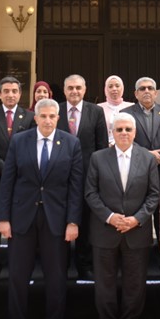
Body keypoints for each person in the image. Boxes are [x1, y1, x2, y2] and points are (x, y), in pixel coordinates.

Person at [0, 99, 84, 319]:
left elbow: (75, 187)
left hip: (56, 220)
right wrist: (3, 218)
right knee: (17, 277)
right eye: (43, 116)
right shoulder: (19, 141)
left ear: (58, 118)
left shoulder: (71, 143)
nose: (47, 120)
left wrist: (73, 221)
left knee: (56, 277)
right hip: (21, 218)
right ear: (35, 118)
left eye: (52, 116)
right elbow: (7, 181)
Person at [84, 113, 160, 319]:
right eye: (119, 129)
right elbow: (90, 193)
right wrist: (110, 217)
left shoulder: (147, 159)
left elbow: (154, 195)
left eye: (128, 129)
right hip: (105, 231)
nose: (124, 133)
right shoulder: (98, 158)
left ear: (135, 132)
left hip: (136, 232)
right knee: (104, 284)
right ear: (112, 132)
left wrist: (137, 219)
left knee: (134, 283)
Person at [0, 76, 35, 281]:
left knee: (19, 223)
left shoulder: (29, 117)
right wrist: (3, 167)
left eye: (14, 91)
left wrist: (15, 169)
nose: (10, 95)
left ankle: (18, 269)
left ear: (20, 94)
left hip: (21, 178)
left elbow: (31, 144)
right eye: (6, 91)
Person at [124, 76, 160, 277]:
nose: (146, 91)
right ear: (136, 93)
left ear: (156, 93)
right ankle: (139, 261)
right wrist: (148, 155)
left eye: (150, 88)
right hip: (137, 172)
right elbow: (124, 139)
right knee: (139, 213)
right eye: (142, 89)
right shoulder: (126, 113)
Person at [57, 74, 109, 280]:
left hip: (87, 176)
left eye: (78, 87)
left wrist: (98, 177)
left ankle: (84, 265)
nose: (74, 91)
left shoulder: (96, 112)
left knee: (86, 222)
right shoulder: (55, 110)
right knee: (60, 221)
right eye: (70, 88)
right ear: (64, 90)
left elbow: (101, 146)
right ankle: (60, 265)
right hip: (58, 178)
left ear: (85, 90)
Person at [98, 75, 133, 145]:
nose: (114, 89)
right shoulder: (98, 108)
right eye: (110, 86)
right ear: (106, 89)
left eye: (117, 86)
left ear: (122, 88)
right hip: (104, 147)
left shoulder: (131, 106)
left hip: (127, 146)